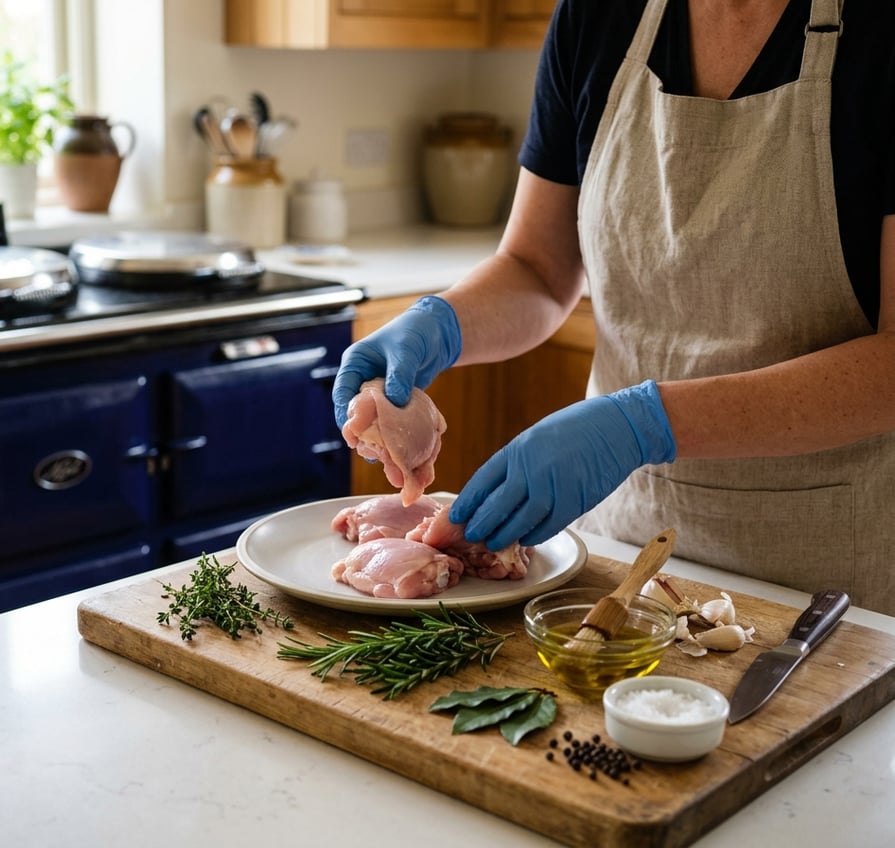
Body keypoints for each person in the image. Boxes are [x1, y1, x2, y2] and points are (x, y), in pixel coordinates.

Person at [332, 0, 895, 615]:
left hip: (827, 582)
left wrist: (642, 425)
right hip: (621, 556)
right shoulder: (598, 15)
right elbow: (538, 269)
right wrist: (440, 322)